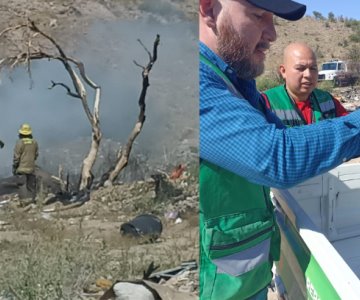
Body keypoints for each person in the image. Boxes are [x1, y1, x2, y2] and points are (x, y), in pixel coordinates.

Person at [199, 0, 360, 299]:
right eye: (259, 15)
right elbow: (278, 157)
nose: (272, 33)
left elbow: (287, 143)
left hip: (247, 276)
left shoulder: (237, 84)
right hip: (218, 286)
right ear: (209, 9)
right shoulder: (199, 83)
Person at [262, 42, 348, 126]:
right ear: (283, 71)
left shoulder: (327, 100)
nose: (308, 75)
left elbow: (350, 129)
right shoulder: (266, 102)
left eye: (313, 68)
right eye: (300, 68)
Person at [13, 123, 39, 202]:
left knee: (22, 186)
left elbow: (16, 158)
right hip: (31, 168)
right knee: (31, 187)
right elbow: (36, 155)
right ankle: (33, 202)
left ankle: (24, 203)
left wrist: (14, 167)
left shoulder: (19, 143)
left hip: (21, 169)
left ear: (21, 133)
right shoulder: (34, 142)